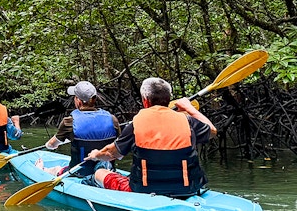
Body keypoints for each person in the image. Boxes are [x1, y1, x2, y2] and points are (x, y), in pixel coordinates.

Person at [87, 77, 217, 197]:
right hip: (189, 189)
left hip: (143, 190)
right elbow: (212, 131)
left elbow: (110, 154)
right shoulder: (188, 121)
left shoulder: (136, 124)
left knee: (100, 173)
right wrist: (189, 108)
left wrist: (96, 155)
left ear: (145, 100)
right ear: (168, 98)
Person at [41, 81, 120, 178]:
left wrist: (49, 145)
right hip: (107, 172)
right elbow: (118, 147)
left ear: (78, 101)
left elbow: (51, 145)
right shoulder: (113, 119)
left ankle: (41, 169)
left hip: (78, 173)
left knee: (55, 169)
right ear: (94, 99)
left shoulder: (69, 122)